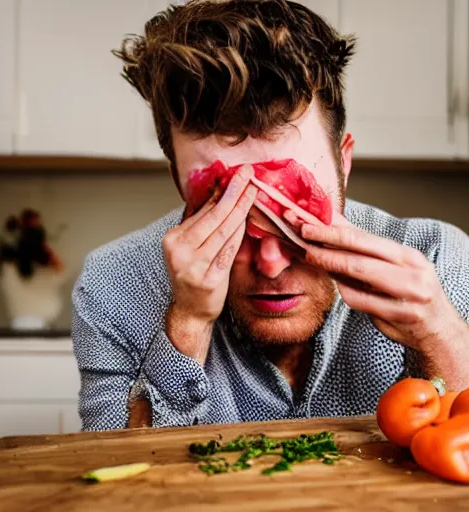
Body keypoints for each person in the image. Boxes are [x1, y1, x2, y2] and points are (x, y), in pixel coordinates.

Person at [71, 0, 469, 431]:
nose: (271, 263)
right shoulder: (113, 285)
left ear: (344, 164)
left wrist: (440, 336)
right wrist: (187, 324)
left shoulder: (443, 261)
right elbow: (117, 484)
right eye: (223, 207)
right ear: (178, 181)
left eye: (297, 210)